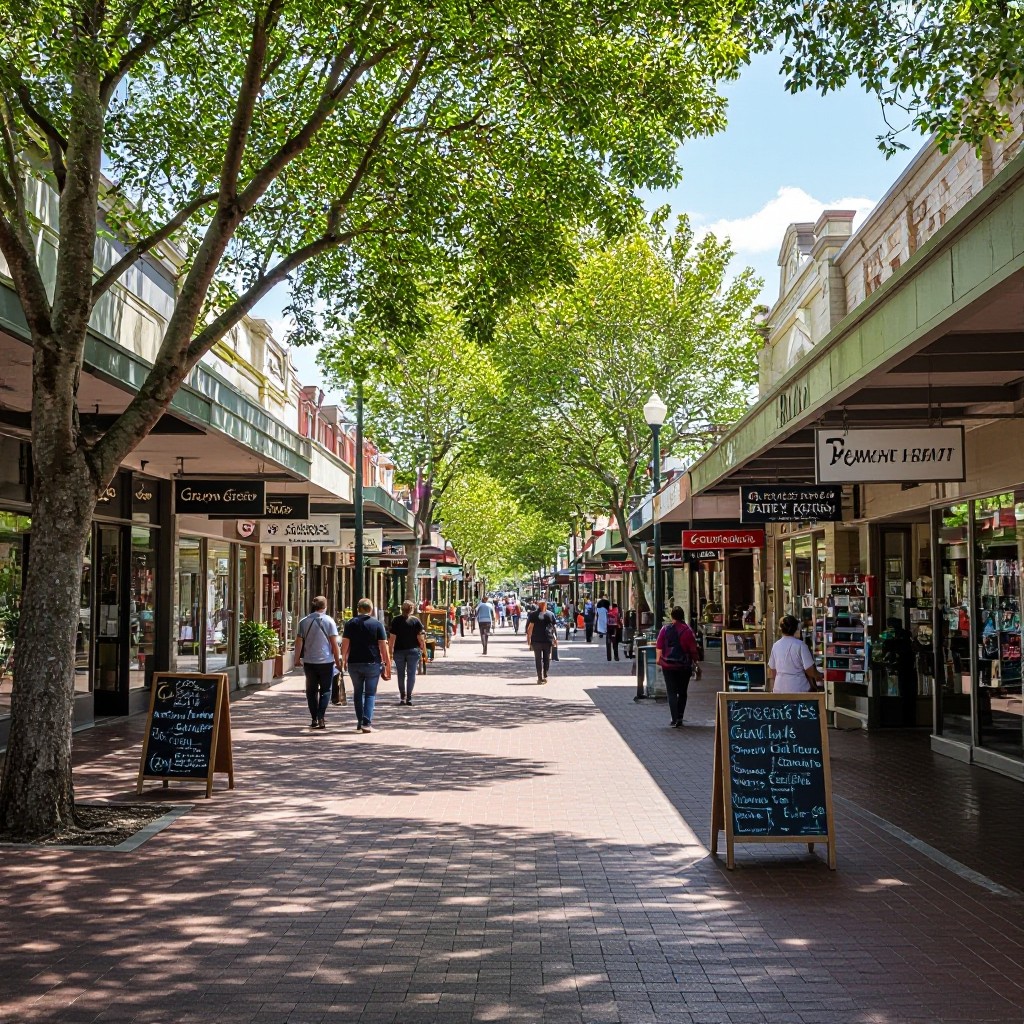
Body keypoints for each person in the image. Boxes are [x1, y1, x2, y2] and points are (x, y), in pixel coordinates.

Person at [342, 598, 392, 733]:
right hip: (372, 662)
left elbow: (345, 643)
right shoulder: (377, 624)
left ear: (358, 609)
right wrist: (387, 664)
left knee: (358, 693)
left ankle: (360, 721)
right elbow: (383, 646)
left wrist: (343, 660)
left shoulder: (350, 624)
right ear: (371, 609)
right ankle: (366, 722)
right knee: (370, 693)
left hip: (354, 663)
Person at [295, 595, 342, 729]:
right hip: (326, 661)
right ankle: (321, 716)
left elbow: (299, 642)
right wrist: (338, 661)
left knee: (311, 691)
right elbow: (334, 644)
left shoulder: (303, 621)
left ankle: (314, 717)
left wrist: (297, 658)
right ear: (325, 606)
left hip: (309, 661)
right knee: (326, 690)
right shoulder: (330, 621)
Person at [655, 606, 701, 727]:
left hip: (667, 665)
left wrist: (659, 660)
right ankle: (680, 716)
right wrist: (696, 663)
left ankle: (674, 718)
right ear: (682, 616)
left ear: (672, 616)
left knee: (671, 692)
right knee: (682, 692)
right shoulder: (688, 631)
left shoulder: (664, 630)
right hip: (683, 666)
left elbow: (659, 646)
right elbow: (693, 650)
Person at [768, 614, 823, 693]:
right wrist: (818, 675)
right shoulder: (800, 645)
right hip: (798, 688)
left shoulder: (776, 645)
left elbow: (772, 670)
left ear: (781, 628)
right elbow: (809, 670)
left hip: (779, 689)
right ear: (796, 628)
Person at [389, 601, 427, 706]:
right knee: (411, 674)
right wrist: (423, 649)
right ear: (412, 609)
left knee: (400, 674)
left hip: (399, 651)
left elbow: (392, 639)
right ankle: (409, 697)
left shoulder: (395, 621)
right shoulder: (416, 621)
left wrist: (390, 653)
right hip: (413, 651)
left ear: (402, 609)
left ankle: (402, 696)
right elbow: (420, 638)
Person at [883, 617, 918, 726]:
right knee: (907, 692)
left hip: (895, 667)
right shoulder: (907, 634)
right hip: (908, 667)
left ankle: (899, 717)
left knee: (897, 691)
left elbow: (881, 649)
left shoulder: (887, 634)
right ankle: (909, 718)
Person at [526, 598, 558, 683]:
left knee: (538, 659)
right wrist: (555, 638)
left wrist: (528, 639)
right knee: (546, 659)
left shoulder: (533, 615)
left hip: (537, 640)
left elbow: (530, 628)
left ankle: (540, 677)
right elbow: (553, 628)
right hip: (547, 639)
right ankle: (544, 675)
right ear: (546, 605)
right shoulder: (550, 614)